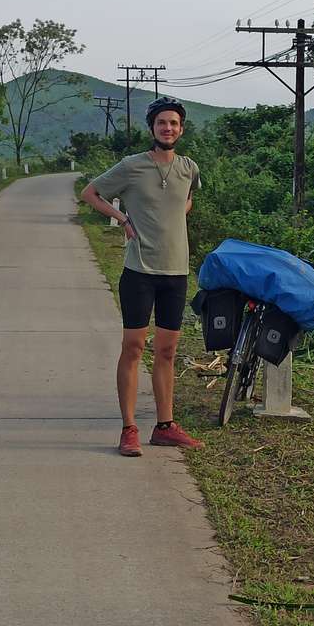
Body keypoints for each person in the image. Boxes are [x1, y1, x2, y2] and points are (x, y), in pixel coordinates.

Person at [80, 97, 204, 456]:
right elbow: (90, 192)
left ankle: (165, 426)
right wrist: (123, 219)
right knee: (133, 348)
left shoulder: (188, 168)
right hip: (140, 273)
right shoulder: (131, 166)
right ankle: (129, 428)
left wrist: (174, 217)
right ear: (152, 128)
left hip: (176, 273)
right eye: (162, 123)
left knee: (167, 350)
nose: (168, 128)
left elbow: (187, 199)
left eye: (174, 123)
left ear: (181, 129)